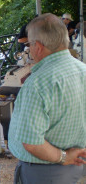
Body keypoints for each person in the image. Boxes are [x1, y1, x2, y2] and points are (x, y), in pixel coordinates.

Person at [8, 13, 86, 184]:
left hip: (46, 172)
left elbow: (32, 143)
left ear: (39, 46)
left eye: (29, 44)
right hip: (76, 164)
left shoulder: (37, 84)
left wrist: (63, 157)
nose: (29, 49)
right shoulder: (83, 70)